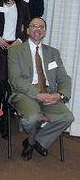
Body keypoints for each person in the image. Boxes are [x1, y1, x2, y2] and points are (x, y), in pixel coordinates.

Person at [8, 17, 74, 161]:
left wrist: (60, 95)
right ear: (27, 30)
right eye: (34, 26)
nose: (38, 29)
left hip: (49, 94)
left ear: (44, 32)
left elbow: (64, 78)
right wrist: (37, 94)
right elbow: (15, 79)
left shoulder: (53, 52)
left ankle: (37, 141)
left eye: (41, 27)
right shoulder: (15, 51)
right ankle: (32, 143)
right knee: (32, 119)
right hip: (24, 93)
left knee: (67, 117)